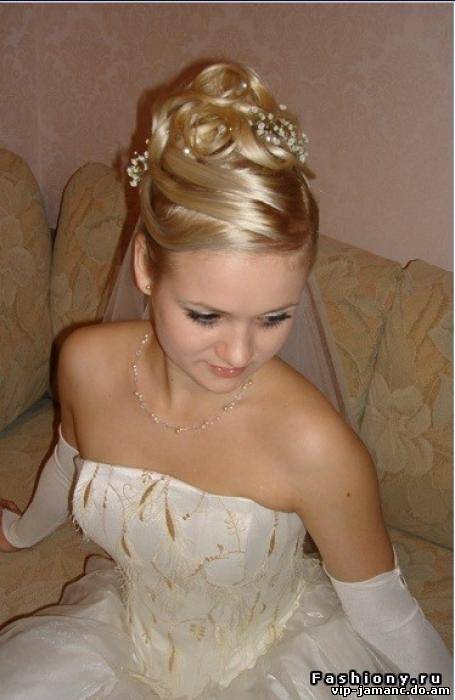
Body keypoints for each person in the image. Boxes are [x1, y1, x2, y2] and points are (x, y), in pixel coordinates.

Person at [0, 61, 451, 700]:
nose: (239, 353)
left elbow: (387, 618)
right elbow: (69, 457)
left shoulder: (316, 446)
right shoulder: (85, 362)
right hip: (126, 640)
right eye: (206, 315)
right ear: (145, 266)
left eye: (274, 318)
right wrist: (19, 533)